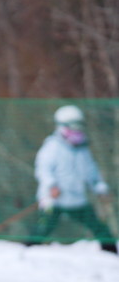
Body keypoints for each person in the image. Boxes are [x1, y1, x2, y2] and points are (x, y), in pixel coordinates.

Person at [29, 105, 117, 254]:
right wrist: (52, 186)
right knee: (44, 228)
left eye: (79, 126)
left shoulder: (83, 150)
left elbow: (92, 172)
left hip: (76, 199)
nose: (77, 130)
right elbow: (43, 169)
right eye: (73, 126)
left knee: (99, 227)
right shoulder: (52, 147)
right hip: (54, 199)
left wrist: (100, 188)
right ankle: (27, 253)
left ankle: (112, 254)